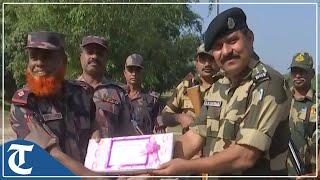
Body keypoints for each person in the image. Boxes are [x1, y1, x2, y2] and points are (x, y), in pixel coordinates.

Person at [153, 7, 290, 176]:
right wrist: (150, 168)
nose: (225, 51)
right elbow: (194, 137)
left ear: (250, 38)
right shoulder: (219, 86)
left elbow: (244, 156)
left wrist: (186, 167)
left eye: (232, 41)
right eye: (218, 46)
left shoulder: (267, 83)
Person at [9, 31, 99, 175]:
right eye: (33, 57)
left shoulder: (81, 94)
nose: (39, 63)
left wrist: (98, 142)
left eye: (46, 57)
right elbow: (51, 154)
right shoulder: (23, 103)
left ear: (63, 61)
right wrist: (94, 177)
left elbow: (95, 130)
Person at [77, 35, 137, 138]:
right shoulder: (68, 91)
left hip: (108, 152)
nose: (94, 57)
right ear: (81, 56)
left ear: (106, 59)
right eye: (90, 52)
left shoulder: (118, 93)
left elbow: (127, 134)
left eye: (99, 54)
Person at [158, 43, 220, 138]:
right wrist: (180, 118)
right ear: (196, 62)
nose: (207, 64)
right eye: (203, 59)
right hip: (191, 148)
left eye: (211, 59)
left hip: (218, 150)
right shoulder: (186, 86)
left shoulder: (226, 86)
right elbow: (165, 116)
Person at [287, 52, 316, 176]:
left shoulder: (316, 103)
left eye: (302, 71)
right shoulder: (281, 100)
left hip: (307, 173)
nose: (297, 76)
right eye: (294, 71)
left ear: (312, 74)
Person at [123, 53, 160, 134]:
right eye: (130, 70)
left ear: (143, 73)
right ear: (124, 73)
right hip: (121, 144)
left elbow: (159, 129)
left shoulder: (152, 100)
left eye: (137, 70)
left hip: (144, 144)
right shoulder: (118, 97)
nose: (134, 73)